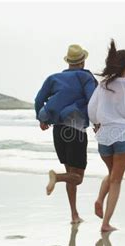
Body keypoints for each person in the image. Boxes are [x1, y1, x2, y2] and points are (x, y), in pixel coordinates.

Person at [34, 44, 98, 224]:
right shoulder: (85, 77)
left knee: (72, 173)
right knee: (77, 178)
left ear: (68, 62)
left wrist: (42, 119)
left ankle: (74, 215)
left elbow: (39, 100)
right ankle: (57, 177)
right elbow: (93, 101)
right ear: (83, 61)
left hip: (58, 130)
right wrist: (97, 122)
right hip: (75, 130)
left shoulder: (53, 78)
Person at [88, 39, 125, 232]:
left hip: (104, 137)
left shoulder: (103, 85)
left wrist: (97, 124)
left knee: (112, 174)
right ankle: (105, 223)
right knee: (116, 180)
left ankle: (98, 200)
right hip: (123, 136)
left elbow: (91, 110)